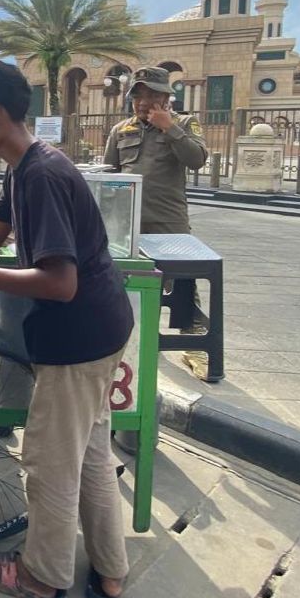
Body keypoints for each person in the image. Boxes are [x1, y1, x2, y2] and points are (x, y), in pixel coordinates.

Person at [0, 60, 133, 598]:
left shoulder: (42, 174)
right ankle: (111, 570)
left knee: (48, 463)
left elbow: (59, 282)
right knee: (91, 450)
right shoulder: (21, 168)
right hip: (99, 328)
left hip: (78, 335)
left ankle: (41, 577)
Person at [103, 67, 210, 378]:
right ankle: (129, 339)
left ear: (166, 96)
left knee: (183, 287)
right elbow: (108, 173)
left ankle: (194, 348)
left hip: (168, 221)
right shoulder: (121, 130)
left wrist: (169, 128)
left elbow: (197, 159)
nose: (144, 101)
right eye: (139, 94)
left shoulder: (185, 124)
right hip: (127, 224)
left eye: (151, 94)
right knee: (124, 283)